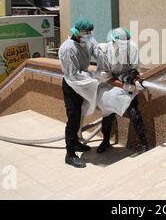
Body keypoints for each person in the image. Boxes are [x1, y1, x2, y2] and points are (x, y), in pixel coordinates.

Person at [93, 28, 149, 154]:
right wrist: (124, 86)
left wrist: (137, 80)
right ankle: (106, 140)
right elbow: (106, 77)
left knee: (134, 113)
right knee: (107, 115)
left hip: (127, 83)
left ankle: (144, 143)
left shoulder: (132, 47)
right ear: (113, 41)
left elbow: (135, 68)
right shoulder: (105, 52)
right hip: (109, 85)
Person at [58, 19, 98, 168]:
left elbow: (96, 51)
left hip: (82, 84)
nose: (90, 36)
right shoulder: (68, 48)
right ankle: (70, 154)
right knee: (73, 119)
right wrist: (94, 77)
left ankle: (75, 143)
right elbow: (73, 74)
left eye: (90, 33)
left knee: (79, 114)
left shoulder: (85, 41)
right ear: (78, 33)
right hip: (71, 85)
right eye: (87, 33)